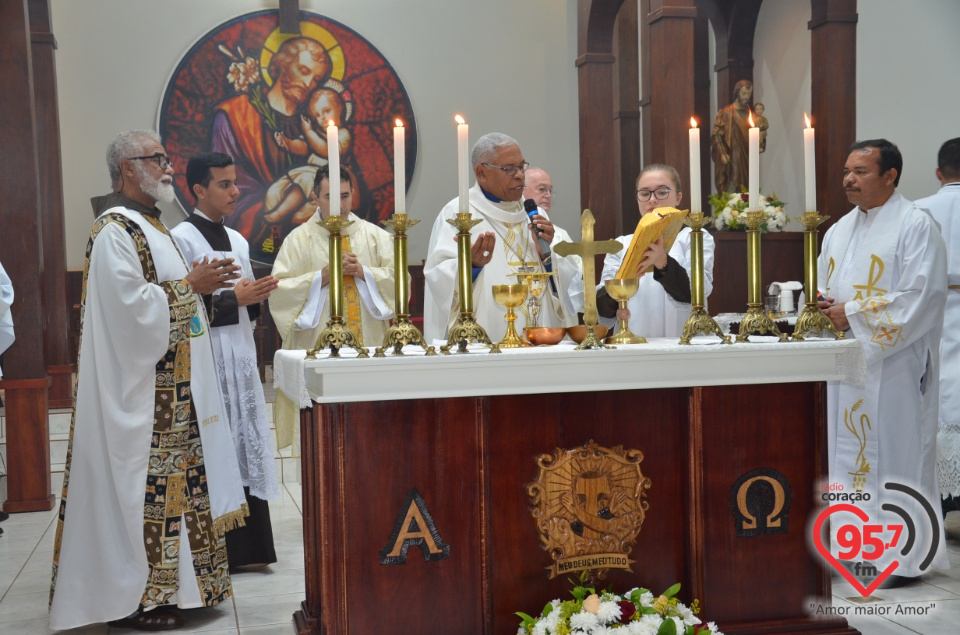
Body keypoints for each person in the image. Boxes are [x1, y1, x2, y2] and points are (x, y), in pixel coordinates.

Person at [49, 130, 248, 631]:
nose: (166, 165)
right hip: (144, 397)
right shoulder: (115, 229)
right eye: (154, 158)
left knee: (176, 490)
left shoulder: (153, 227)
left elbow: (163, 297)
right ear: (126, 169)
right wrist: (189, 287)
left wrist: (198, 285)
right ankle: (136, 599)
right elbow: (128, 314)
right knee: (144, 491)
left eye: (165, 155)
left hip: (175, 389)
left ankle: (178, 590)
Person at [818, 139, 949, 587]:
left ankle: (901, 556)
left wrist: (852, 315)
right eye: (846, 172)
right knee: (846, 454)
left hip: (893, 364)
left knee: (894, 454)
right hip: (847, 362)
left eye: (861, 171)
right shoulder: (838, 230)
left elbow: (922, 296)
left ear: (890, 175)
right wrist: (825, 308)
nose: (849, 180)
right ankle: (853, 551)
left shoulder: (916, 225)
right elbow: (828, 287)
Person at [171, 152, 281, 571]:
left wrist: (255, 297)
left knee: (244, 442)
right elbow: (184, 305)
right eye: (224, 184)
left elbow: (242, 303)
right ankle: (219, 549)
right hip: (208, 357)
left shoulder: (237, 240)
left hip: (239, 355)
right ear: (199, 190)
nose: (236, 192)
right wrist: (236, 298)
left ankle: (252, 550)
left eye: (235, 183)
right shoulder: (182, 238)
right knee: (216, 446)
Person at [269, 165, 396, 450]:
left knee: (370, 439)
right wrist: (320, 277)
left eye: (345, 195)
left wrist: (365, 272)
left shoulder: (376, 237)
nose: (338, 205)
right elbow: (279, 292)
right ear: (315, 198)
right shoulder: (299, 239)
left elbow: (403, 284)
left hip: (369, 350)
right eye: (329, 196)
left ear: (354, 196)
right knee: (324, 440)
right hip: (319, 352)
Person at [423, 133, 580, 343]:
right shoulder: (459, 215)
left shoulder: (536, 216)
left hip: (539, 340)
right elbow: (438, 281)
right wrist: (471, 265)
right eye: (509, 169)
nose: (519, 176)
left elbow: (569, 290)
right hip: (485, 344)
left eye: (521, 166)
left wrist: (547, 256)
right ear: (481, 173)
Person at [212, 37, 332, 261]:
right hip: (258, 234)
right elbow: (229, 191)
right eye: (304, 70)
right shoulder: (235, 115)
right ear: (281, 65)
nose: (308, 83)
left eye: (316, 79)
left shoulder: (312, 125)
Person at [597, 164, 714, 337]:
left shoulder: (695, 236)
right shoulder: (620, 245)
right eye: (644, 193)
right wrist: (622, 279)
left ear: (678, 197)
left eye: (662, 192)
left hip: (684, 343)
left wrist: (663, 263)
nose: (652, 200)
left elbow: (697, 293)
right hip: (634, 346)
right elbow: (603, 310)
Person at [915, 137, 960, 518]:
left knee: (939, 397)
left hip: (933, 313)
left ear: (937, 172)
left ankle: (938, 502)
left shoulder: (917, 211)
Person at [266, 87, 354, 225]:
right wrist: (288, 143)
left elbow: (327, 150)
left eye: (326, 111)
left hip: (328, 178)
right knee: (276, 189)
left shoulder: (343, 134)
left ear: (339, 109)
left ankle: (280, 213)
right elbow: (303, 147)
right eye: (317, 115)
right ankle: (274, 231)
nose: (323, 117)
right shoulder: (315, 134)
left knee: (306, 180)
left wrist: (308, 131)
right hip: (306, 172)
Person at [523, 167, 584, 314]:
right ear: (521, 191)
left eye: (550, 190)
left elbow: (578, 276)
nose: (548, 195)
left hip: (558, 313)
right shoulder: (515, 230)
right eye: (542, 189)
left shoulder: (561, 235)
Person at [711, 79, 753, 194]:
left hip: (746, 157)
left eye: (749, 94)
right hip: (731, 155)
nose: (746, 97)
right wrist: (723, 153)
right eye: (744, 94)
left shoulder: (749, 114)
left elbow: (753, 137)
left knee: (746, 184)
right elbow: (717, 135)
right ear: (737, 93)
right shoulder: (726, 112)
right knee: (732, 182)